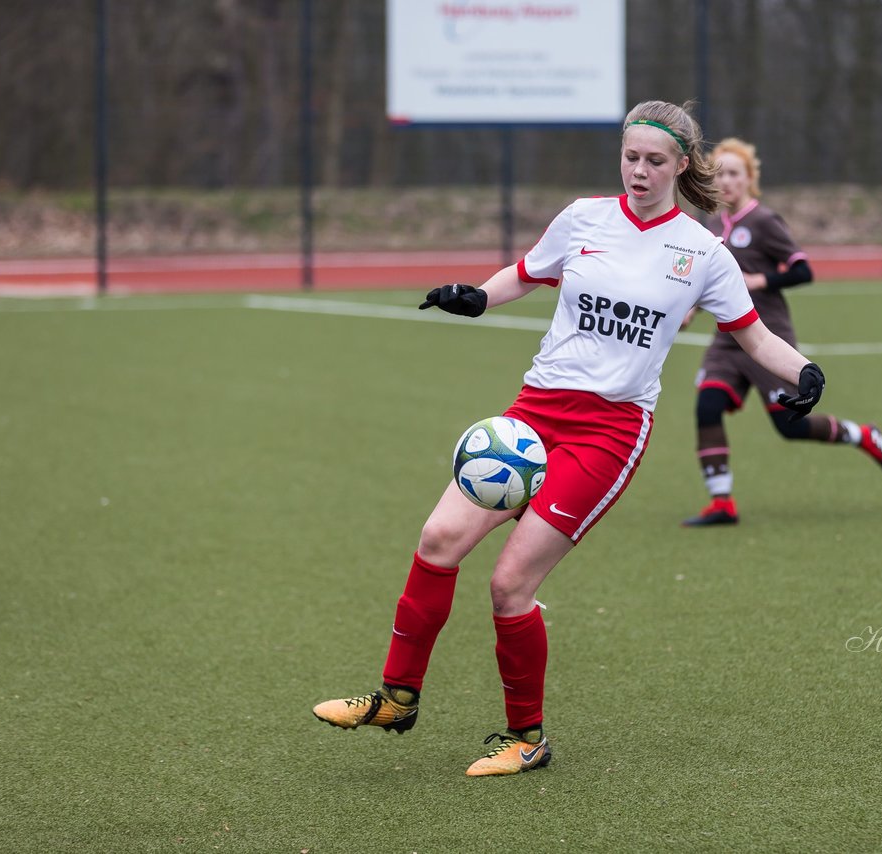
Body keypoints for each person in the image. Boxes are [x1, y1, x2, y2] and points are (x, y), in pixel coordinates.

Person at [311, 101, 826, 777]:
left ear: (680, 167)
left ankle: (525, 737)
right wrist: (475, 295)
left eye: (654, 161)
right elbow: (524, 275)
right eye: (630, 156)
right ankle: (397, 697)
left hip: (609, 432)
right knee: (437, 541)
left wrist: (805, 371)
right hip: (532, 413)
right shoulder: (584, 216)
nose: (638, 171)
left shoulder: (702, 252)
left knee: (509, 584)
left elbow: (753, 336)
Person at [680, 137, 882, 528]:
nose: (726, 181)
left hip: (768, 337)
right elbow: (709, 280)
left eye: (734, 173)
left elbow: (802, 270)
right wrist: (691, 308)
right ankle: (721, 503)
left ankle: (861, 435)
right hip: (727, 341)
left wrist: (758, 281)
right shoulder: (710, 225)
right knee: (706, 406)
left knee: (789, 426)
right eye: (720, 173)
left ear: (750, 178)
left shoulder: (764, 222)